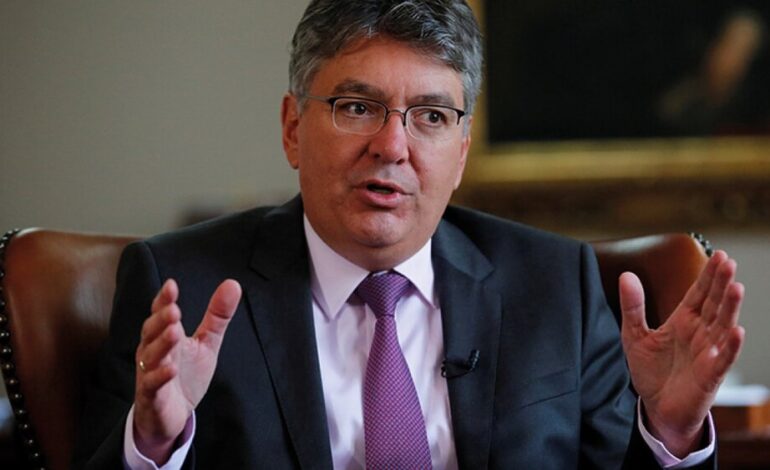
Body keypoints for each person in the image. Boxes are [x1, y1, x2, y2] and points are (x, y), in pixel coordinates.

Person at [73, 1, 745, 468]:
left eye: (429, 115)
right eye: (357, 107)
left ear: (461, 149)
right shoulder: (179, 287)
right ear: (290, 129)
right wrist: (154, 446)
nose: (391, 146)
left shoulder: (555, 287)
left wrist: (670, 433)